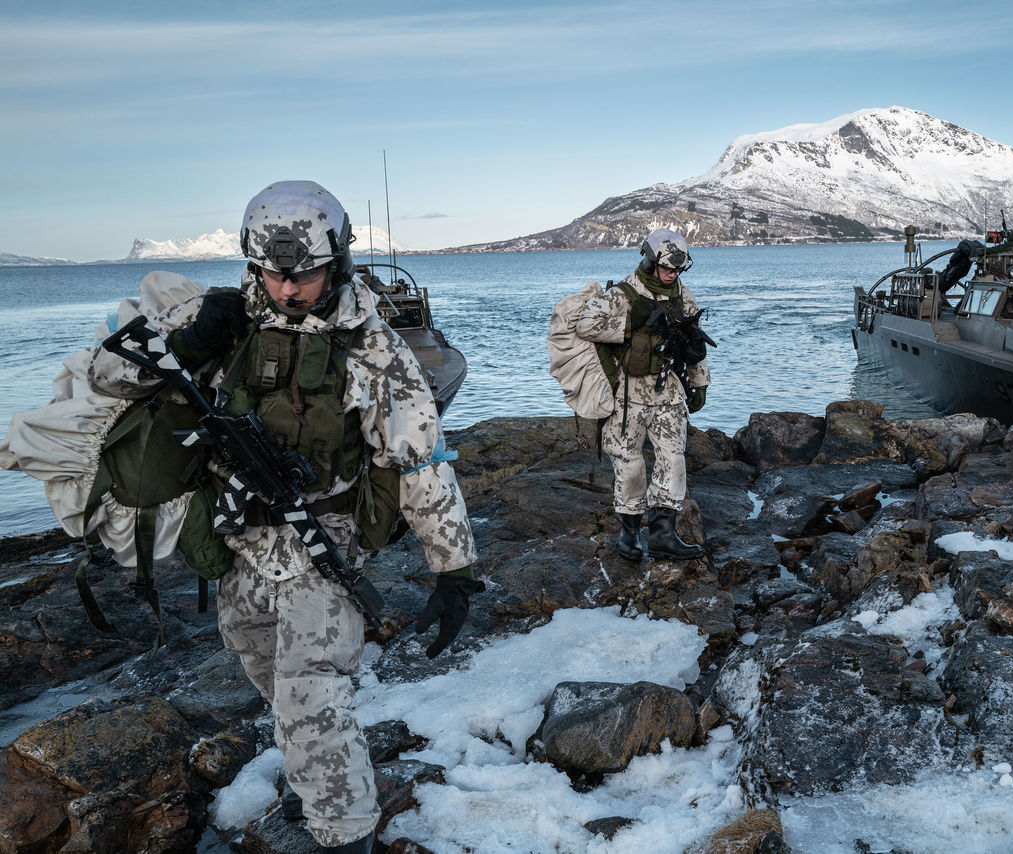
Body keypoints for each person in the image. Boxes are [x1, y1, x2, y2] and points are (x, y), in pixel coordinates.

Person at [87, 181, 480, 854]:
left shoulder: (371, 345)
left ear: (339, 259)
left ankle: (345, 833)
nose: (289, 289)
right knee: (264, 670)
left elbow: (418, 459)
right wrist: (185, 343)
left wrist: (454, 569)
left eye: (305, 274)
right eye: (275, 275)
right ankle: (311, 775)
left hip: (324, 538)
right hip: (241, 539)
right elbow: (106, 375)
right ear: (254, 262)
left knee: (313, 698)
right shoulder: (222, 319)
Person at [574, 228, 710, 562]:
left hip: (669, 392)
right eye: (666, 267)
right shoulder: (622, 294)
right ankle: (630, 534)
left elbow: (696, 341)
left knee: (674, 460)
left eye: (678, 269)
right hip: (627, 396)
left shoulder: (683, 296)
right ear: (650, 261)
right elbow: (583, 324)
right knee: (629, 464)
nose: (672, 273)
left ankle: (664, 535)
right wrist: (626, 324)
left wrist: (700, 381)